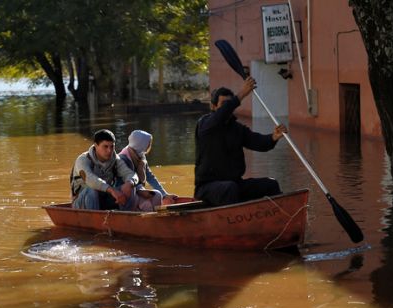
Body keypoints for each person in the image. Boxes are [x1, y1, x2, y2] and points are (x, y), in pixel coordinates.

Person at [194, 77, 287, 207]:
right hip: (207, 188)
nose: (227, 108)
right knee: (229, 188)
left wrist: (273, 137)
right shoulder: (205, 125)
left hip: (234, 183)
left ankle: (279, 217)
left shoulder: (237, 129)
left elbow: (259, 142)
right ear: (214, 107)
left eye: (229, 104)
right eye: (223, 105)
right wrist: (241, 94)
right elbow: (221, 115)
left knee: (271, 184)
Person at [71, 129, 138, 210]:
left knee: (131, 188)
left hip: (104, 199)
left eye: (112, 146)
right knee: (92, 191)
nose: (109, 150)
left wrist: (130, 182)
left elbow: (131, 174)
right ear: (96, 145)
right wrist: (112, 191)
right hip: (82, 202)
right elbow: (91, 180)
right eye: (105, 146)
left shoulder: (115, 159)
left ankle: (126, 217)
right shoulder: (83, 160)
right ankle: (94, 221)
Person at [117, 130, 178, 211]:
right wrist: (141, 191)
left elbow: (150, 177)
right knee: (146, 203)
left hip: (138, 190)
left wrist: (165, 194)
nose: (149, 145)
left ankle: (155, 218)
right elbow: (126, 182)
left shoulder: (141, 156)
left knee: (158, 195)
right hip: (126, 194)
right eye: (148, 142)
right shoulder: (123, 159)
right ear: (140, 144)